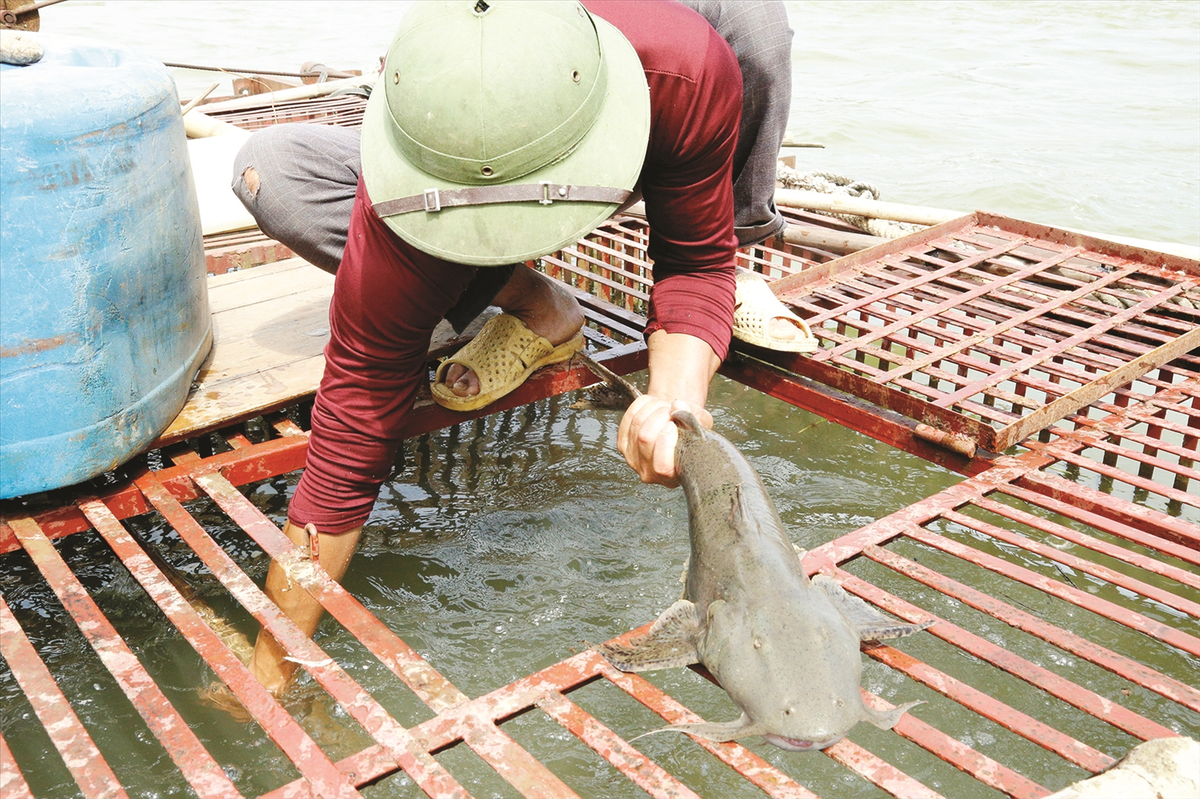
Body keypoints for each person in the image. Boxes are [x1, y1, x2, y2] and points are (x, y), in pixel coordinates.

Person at [232, 0, 798, 695]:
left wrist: (674, 396)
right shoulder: (406, 173)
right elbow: (350, 430)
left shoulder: (678, 65)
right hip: (469, 147)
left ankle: (740, 238)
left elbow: (692, 261)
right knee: (270, 168)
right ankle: (534, 302)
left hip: (620, 112)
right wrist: (270, 666)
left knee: (754, 22)